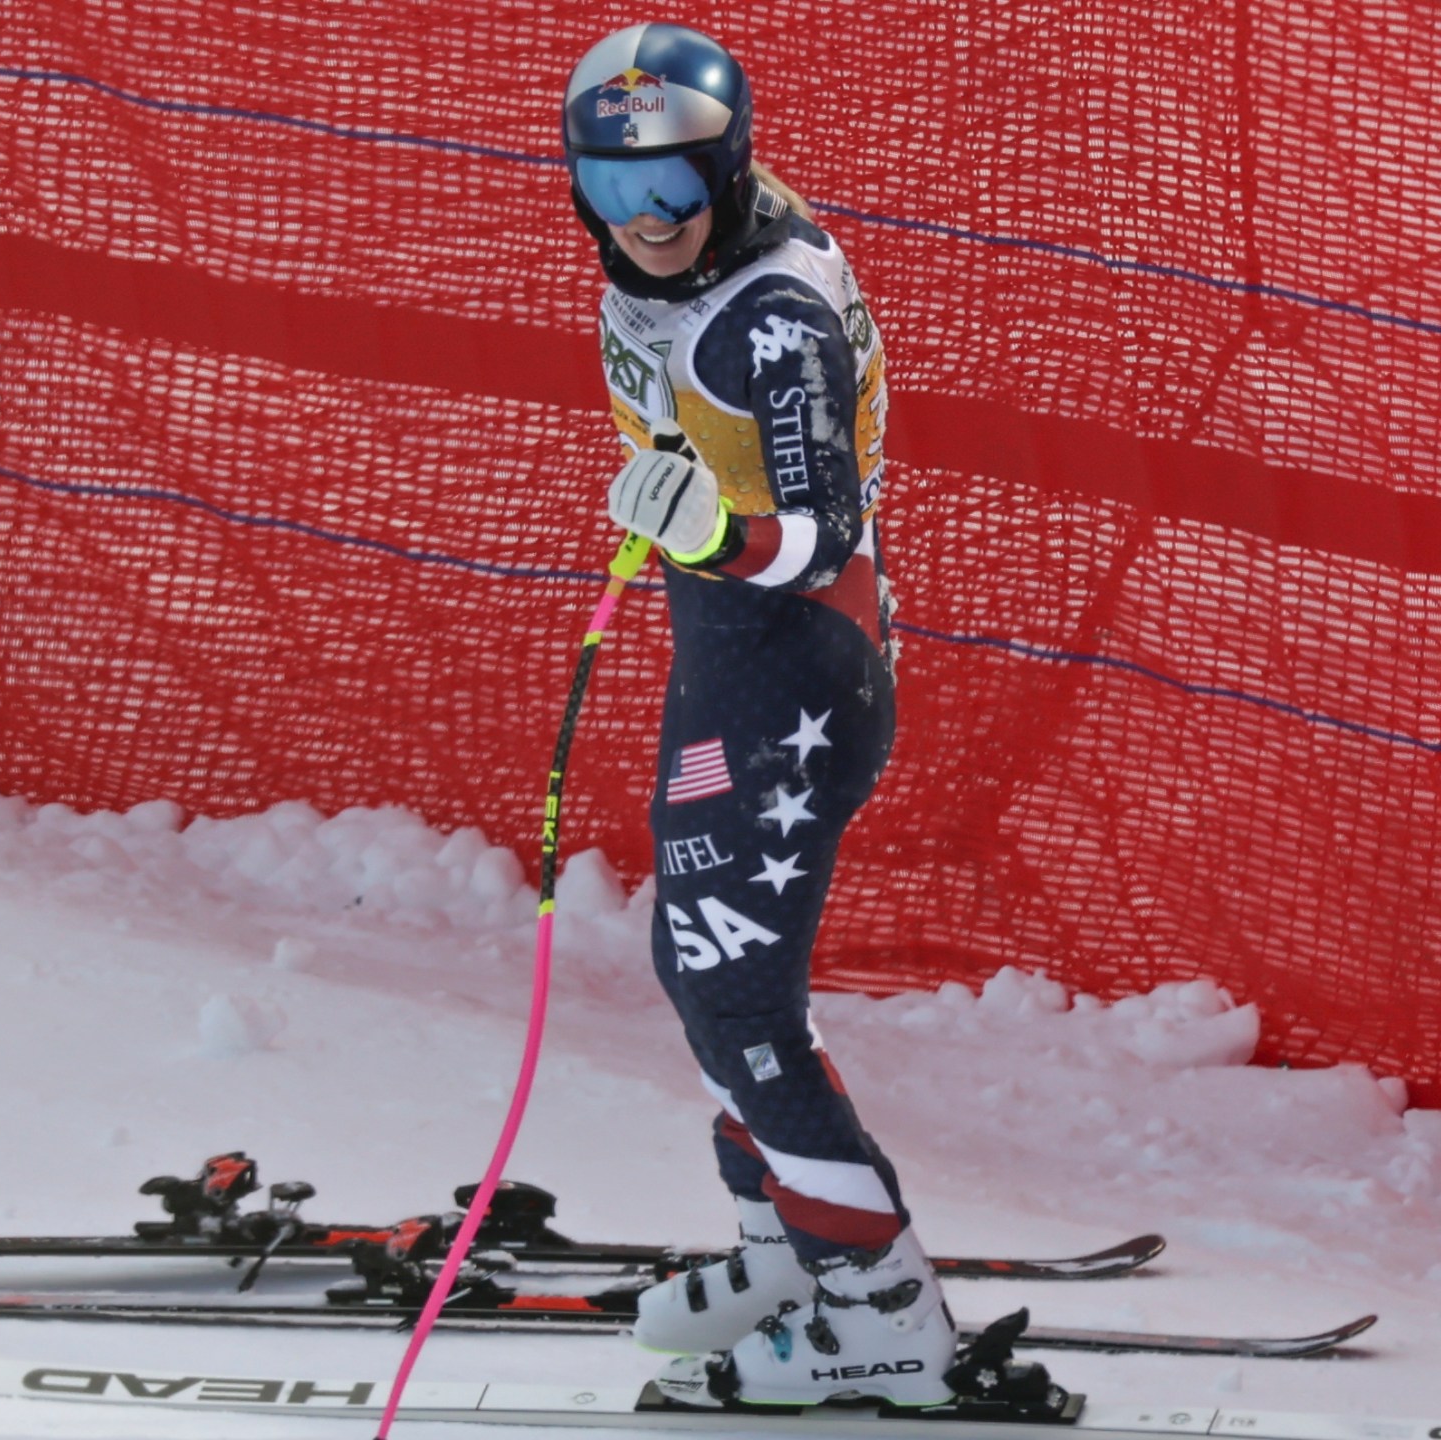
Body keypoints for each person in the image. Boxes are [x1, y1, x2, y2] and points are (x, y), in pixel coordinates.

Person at [560, 22, 971, 1409]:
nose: (650, 220)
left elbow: (825, 535)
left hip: (792, 682)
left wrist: (709, 531)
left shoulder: (767, 321)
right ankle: (784, 1247)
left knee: (739, 999)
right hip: (731, 670)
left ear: (729, 170)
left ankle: (883, 1315)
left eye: (677, 186)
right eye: (616, 191)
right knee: (701, 977)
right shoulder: (686, 267)